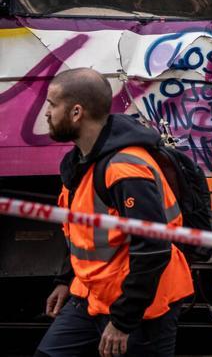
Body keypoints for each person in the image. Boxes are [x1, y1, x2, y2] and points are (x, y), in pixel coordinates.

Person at [37, 68, 193, 357]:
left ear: (76, 113)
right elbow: (81, 232)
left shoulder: (124, 169)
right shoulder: (81, 161)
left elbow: (152, 248)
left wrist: (123, 322)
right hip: (92, 296)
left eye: (52, 104)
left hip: (142, 308)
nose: (46, 113)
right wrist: (66, 280)